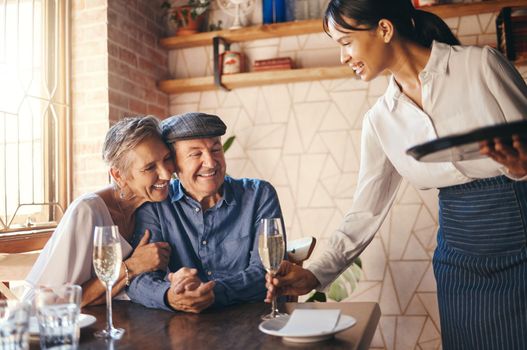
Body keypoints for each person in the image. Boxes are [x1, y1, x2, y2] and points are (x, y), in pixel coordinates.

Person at [266, 0, 527, 349]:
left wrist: (522, 169)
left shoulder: (480, 65)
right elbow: (365, 211)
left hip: (520, 243)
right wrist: (315, 274)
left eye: (345, 42)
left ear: (385, 30)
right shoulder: (380, 120)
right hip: (459, 260)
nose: (343, 56)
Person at [126, 112, 285, 313]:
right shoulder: (156, 205)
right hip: (185, 328)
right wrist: (170, 295)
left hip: (254, 319)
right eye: (195, 154)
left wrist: (212, 292)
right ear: (173, 163)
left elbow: (266, 271)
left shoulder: (259, 195)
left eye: (216, 149)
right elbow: (138, 280)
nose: (210, 162)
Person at [22, 116, 174, 306]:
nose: (167, 173)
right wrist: (133, 265)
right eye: (150, 167)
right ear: (119, 175)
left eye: (167, 158)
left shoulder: (152, 206)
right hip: (47, 324)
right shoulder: (87, 211)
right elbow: (58, 301)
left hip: (111, 322)